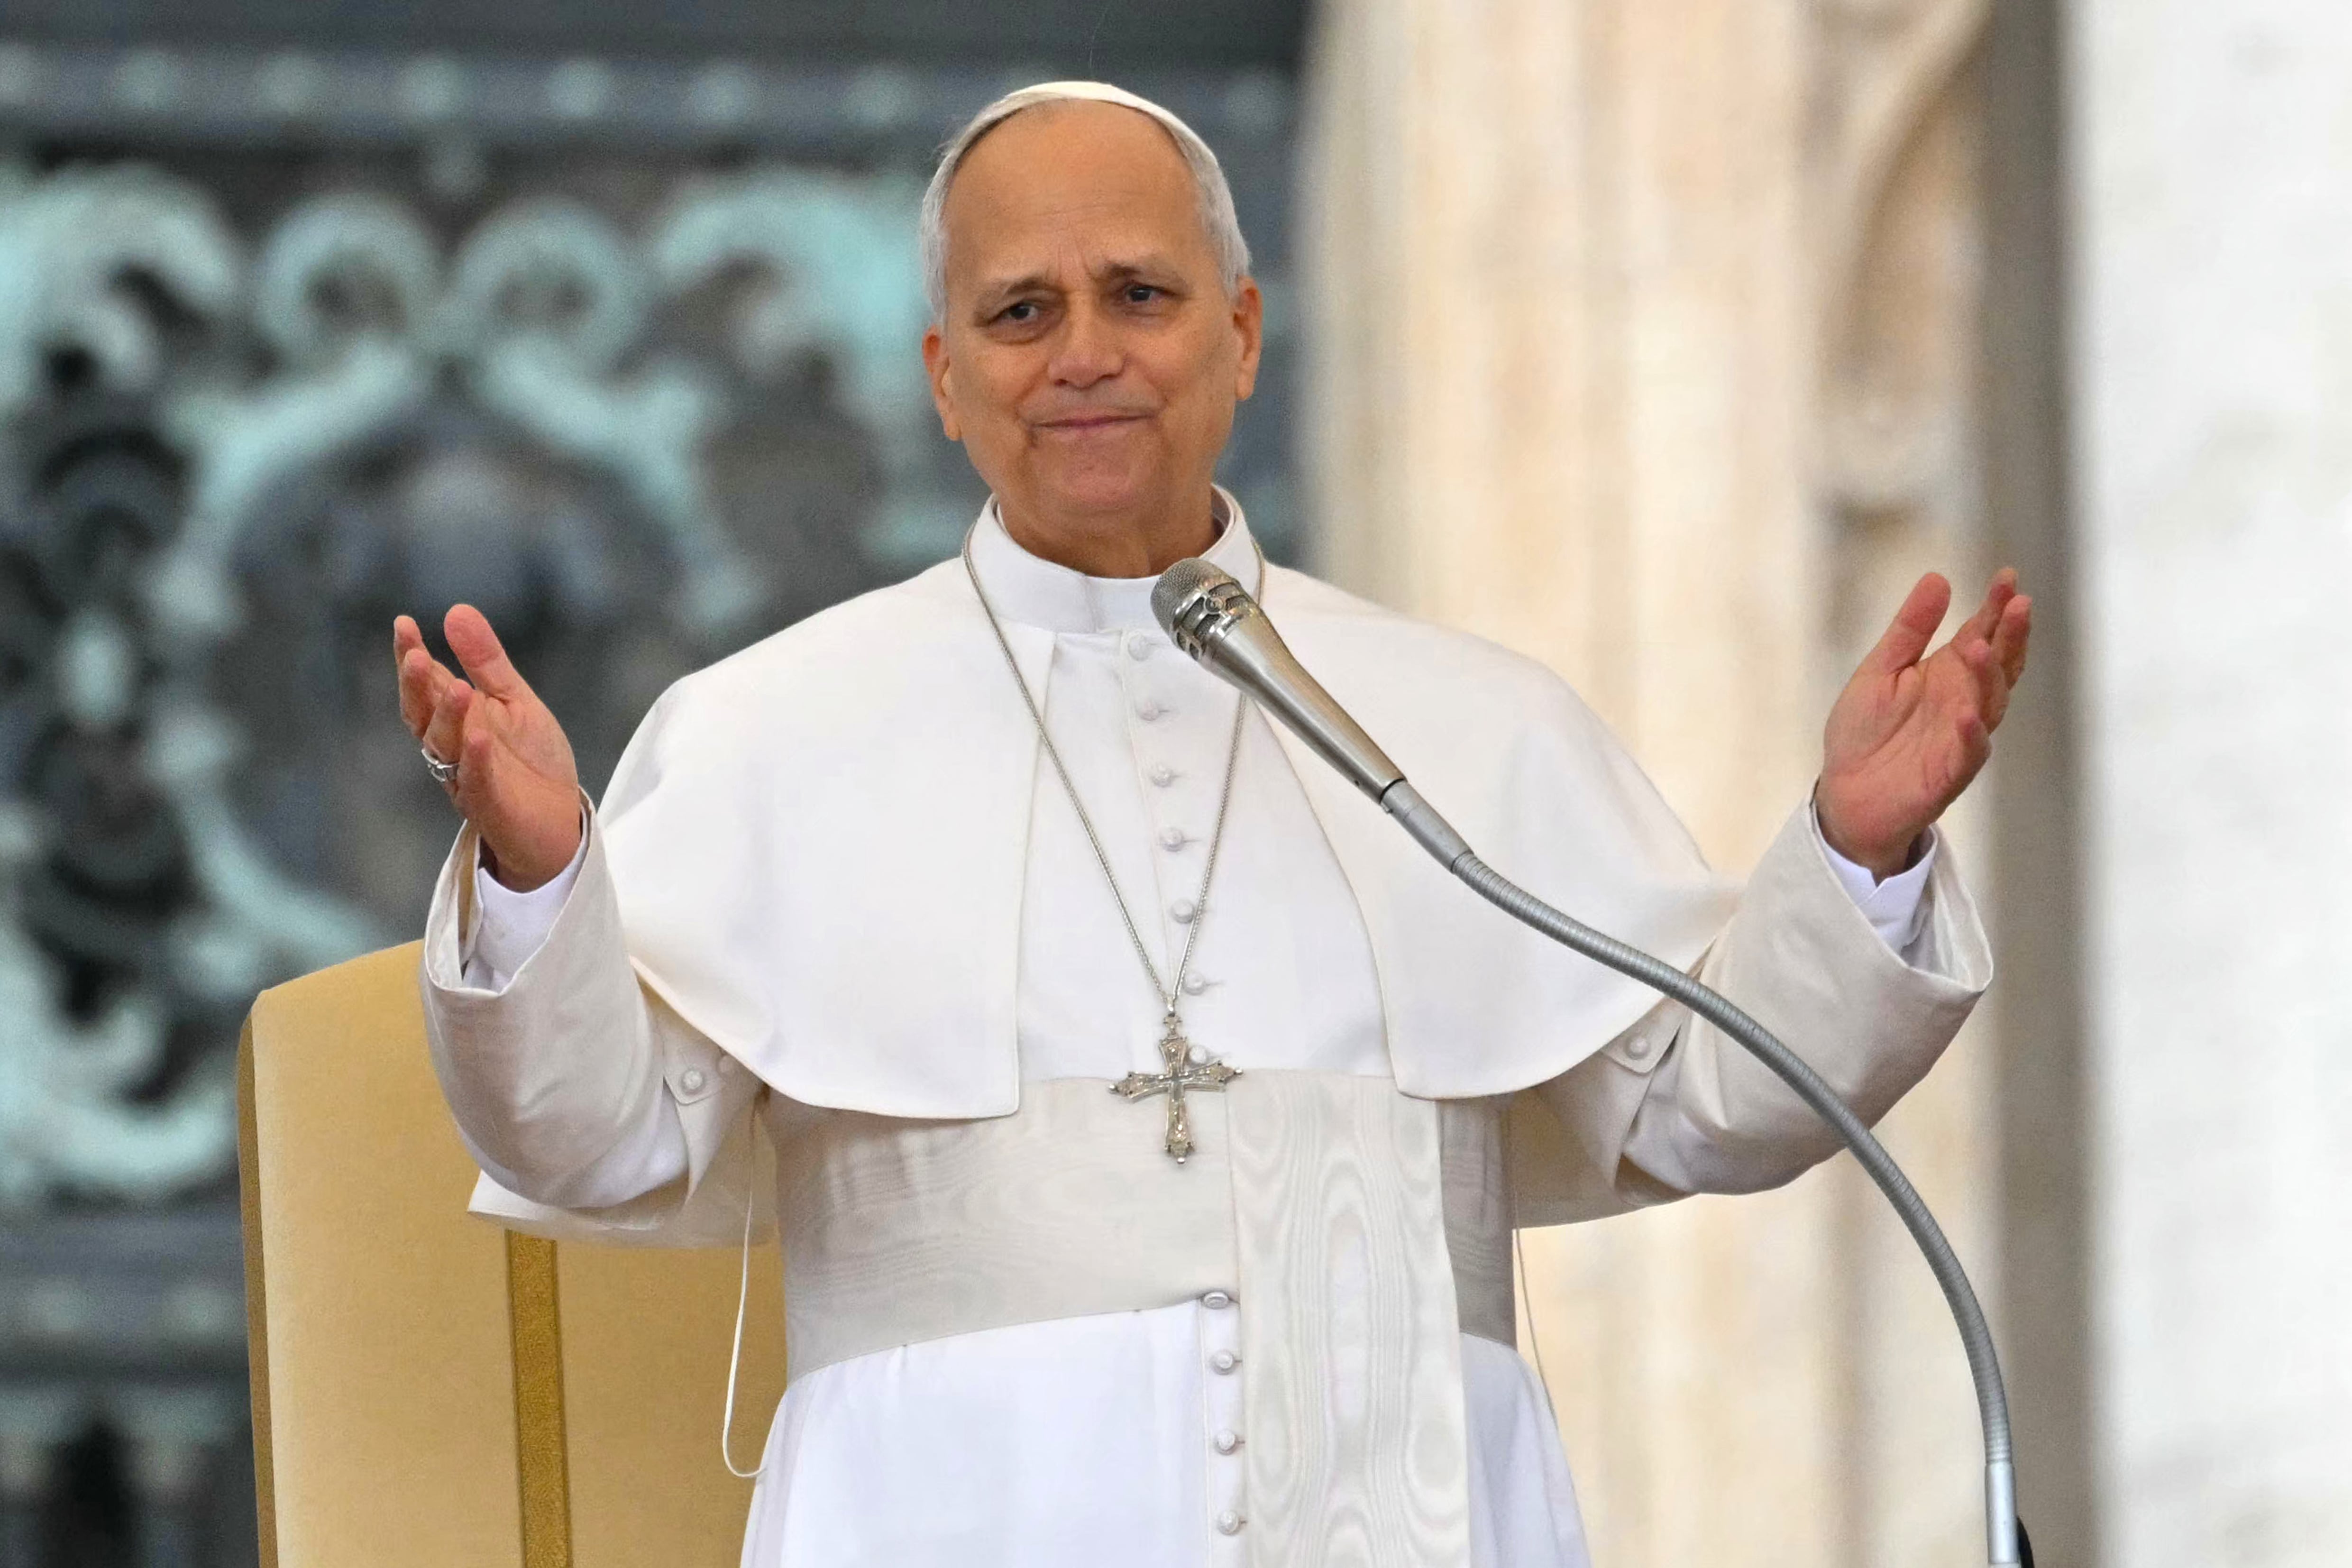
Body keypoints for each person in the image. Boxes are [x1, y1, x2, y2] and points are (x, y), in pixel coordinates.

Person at [393, 81, 2030, 1568]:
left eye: (1139, 294)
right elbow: (592, 1138)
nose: (1082, 353)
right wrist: (541, 876)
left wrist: (1854, 853)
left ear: (1241, 334)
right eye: (1020, 310)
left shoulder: (1465, 720)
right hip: (946, 1512)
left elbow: (1709, 1101)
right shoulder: (769, 730)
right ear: (944, 376)